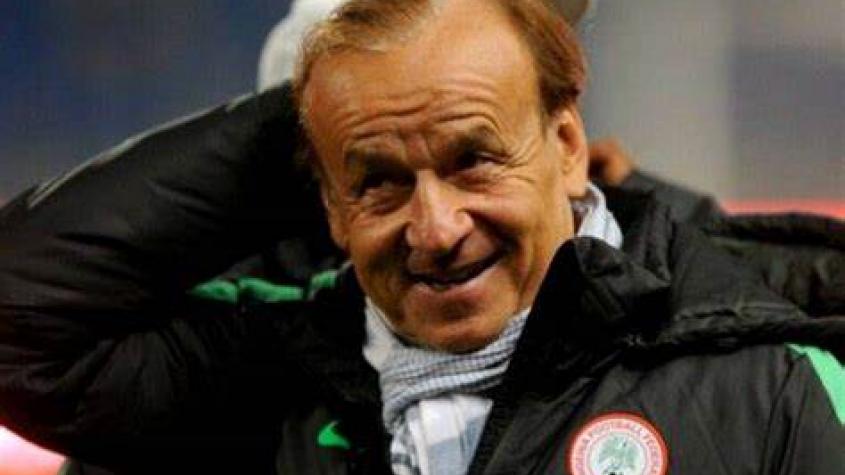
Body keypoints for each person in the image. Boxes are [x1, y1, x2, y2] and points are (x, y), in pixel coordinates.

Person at [0, 1, 842, 474]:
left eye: (472, 159)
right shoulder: (260, 381)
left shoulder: (767, 381)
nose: (436, 229)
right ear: (323, 203)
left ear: (566, 145)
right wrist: (349, 90)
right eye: (377, 179)